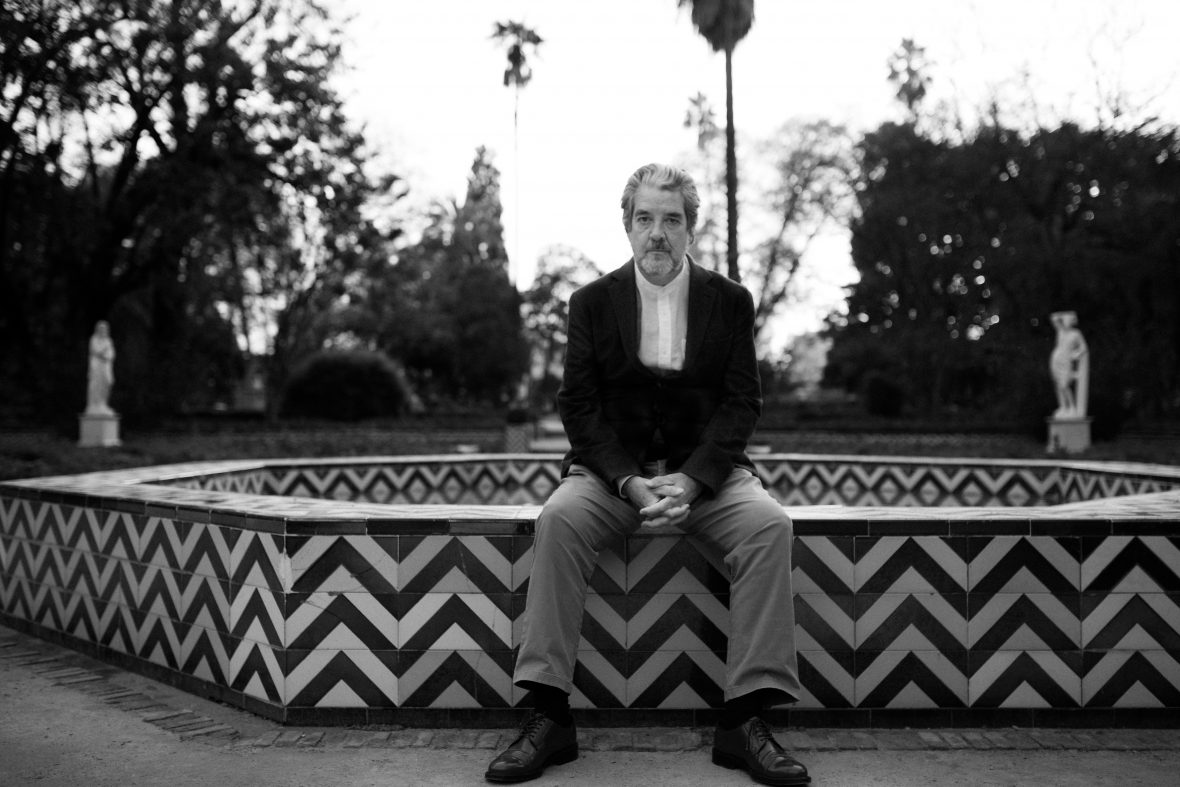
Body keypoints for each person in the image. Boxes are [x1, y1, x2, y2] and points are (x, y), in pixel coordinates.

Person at [485, 164, 809, 786]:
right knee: (558, 521)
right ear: (627, 225)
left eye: (671, 220)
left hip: (706, 476)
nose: (657, 233)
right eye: (645, 219)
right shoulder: (591, 302)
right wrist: (628, 482)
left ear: (691, 228)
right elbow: (579, 407)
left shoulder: (730, 301)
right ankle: (548, 715)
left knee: (769, 526)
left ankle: (744, 721)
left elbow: (742, 402)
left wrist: (694, 479)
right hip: (612, 475)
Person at [1049, 310, 1089, 418]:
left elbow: (1084, 348)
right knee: (1058, 385)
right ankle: (1063, 407)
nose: (1066, 321)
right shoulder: (1061, 330)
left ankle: (1072, 407)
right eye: (1065, 320)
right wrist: (1064, 315)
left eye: (1068, 320)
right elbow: (1053, 317)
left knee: (1064, 385)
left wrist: (1075, 354)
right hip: (1056, 359)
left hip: (1066, 360)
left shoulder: (1076, 333)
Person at [85, 320, 116, 415]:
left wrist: (106, 354)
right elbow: (96, 350)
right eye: (101, 328)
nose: (103, 330)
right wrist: (104, 350)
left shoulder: (108, 341)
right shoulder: (94, 339)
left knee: (108, 383)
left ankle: (103, 404)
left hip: (106, 367)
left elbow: (111, 354)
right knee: (96, 385)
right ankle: (96, 405)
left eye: (105, 329)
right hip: (96, 367)